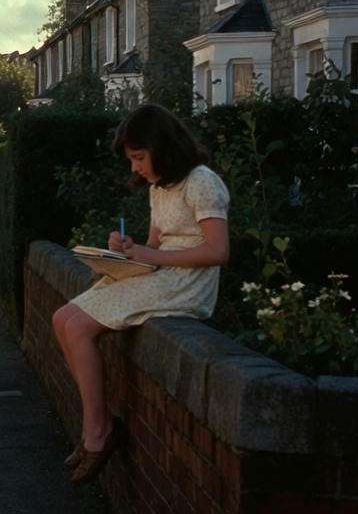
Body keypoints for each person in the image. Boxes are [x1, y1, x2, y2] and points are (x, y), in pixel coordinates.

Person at [52, 104, 230, 483]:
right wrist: (124, 250)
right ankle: (96, 426)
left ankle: (97, 433)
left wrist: (153, 254)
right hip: (161, 274)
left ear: (161, 147)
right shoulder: (160, 186)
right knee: (61, 319)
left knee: (80, 327)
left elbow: (218, 251)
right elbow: (152, 245)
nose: (134, 167)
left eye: (138, 157)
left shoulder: (202, 182)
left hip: (187, 284)